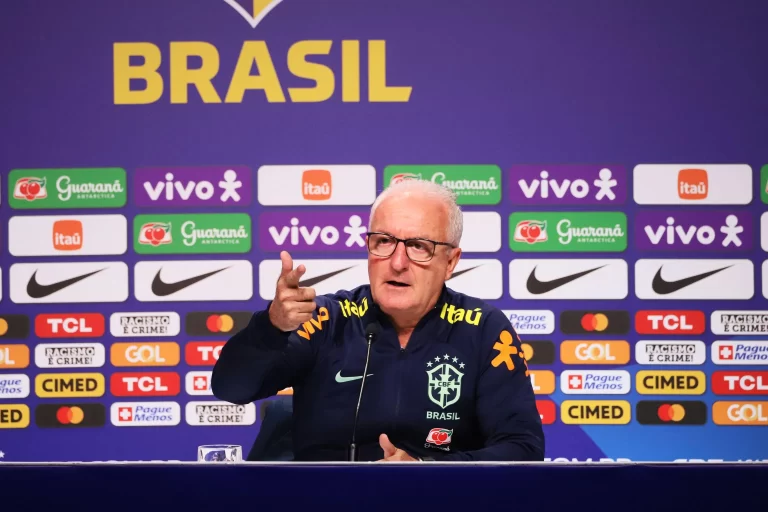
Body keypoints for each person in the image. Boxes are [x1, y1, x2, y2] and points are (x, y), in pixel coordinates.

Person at [211, 178, 544, 462]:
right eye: (383, 241)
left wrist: (426, 469)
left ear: (450, 261)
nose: (397, 262)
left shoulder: (483, 328)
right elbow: (230, 387)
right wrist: (270, 328)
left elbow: (523, 448)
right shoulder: (328, 319)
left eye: (418, 246)